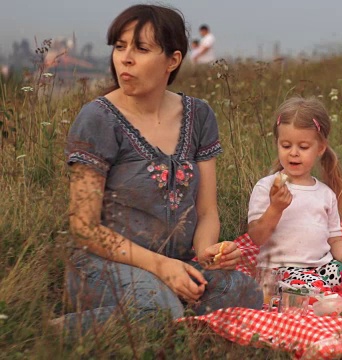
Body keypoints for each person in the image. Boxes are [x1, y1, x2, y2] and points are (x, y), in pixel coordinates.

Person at [60, 4, 262, 334]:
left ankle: (167, 322)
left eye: (140, 49)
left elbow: (207, 211)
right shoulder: (98, 119)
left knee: (244, 290)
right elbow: (83, 228)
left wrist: (207, 252)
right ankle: (49, 335)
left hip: (178, 265)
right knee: (158, 310)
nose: (125, 58)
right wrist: (159, 266)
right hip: (103, 264)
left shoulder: (199, 115)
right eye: (120, 46)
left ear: (173, 60)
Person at [247, 96, 342, 293]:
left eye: (303, 147)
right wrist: (275, 208)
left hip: (320, 268)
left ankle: (330, 292)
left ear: (320, 148)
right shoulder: (266, 187)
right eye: (286, 146)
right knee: (308, 288)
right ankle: (317, 295)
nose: (293, 153)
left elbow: (335, 240)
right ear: (277, 143)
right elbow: (257, 237)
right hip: (279, 271)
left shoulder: (325, 194)